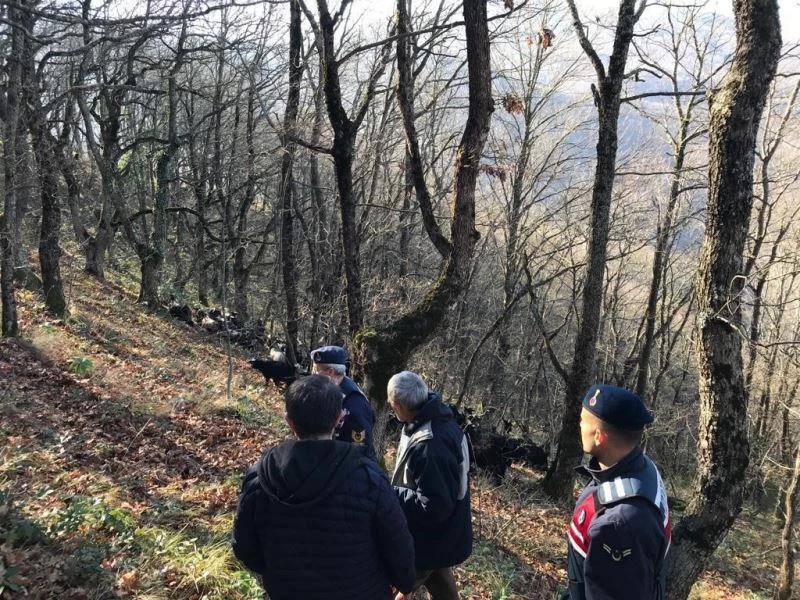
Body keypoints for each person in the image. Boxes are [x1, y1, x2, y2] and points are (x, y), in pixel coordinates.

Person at [231, 375, 416, 600]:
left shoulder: (259, 478)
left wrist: (279, 573)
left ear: (289, 421)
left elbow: (244, 546)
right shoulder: (369, 478)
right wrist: (404, 582)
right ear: (339, 418)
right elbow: (398, 546)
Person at [564, 384, 671, 600]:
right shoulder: (641, 468)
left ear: (599, 436)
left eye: (583, 420)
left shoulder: (619, 526)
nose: (580, 424)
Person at [387, 371, 472, 600]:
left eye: (392, 405)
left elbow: (436, 506)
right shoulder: (435, 421)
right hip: (441, 536)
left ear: (399, 405)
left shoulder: (430, 444)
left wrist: (392, 494)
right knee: (439, 576)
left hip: (431, 536)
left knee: (397, 588)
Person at [310, 345, 377, 460]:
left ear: (330, 372)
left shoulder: (353, 404)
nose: (313, 375)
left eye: (316, 370)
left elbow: (359, 453)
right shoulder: (331, 391)